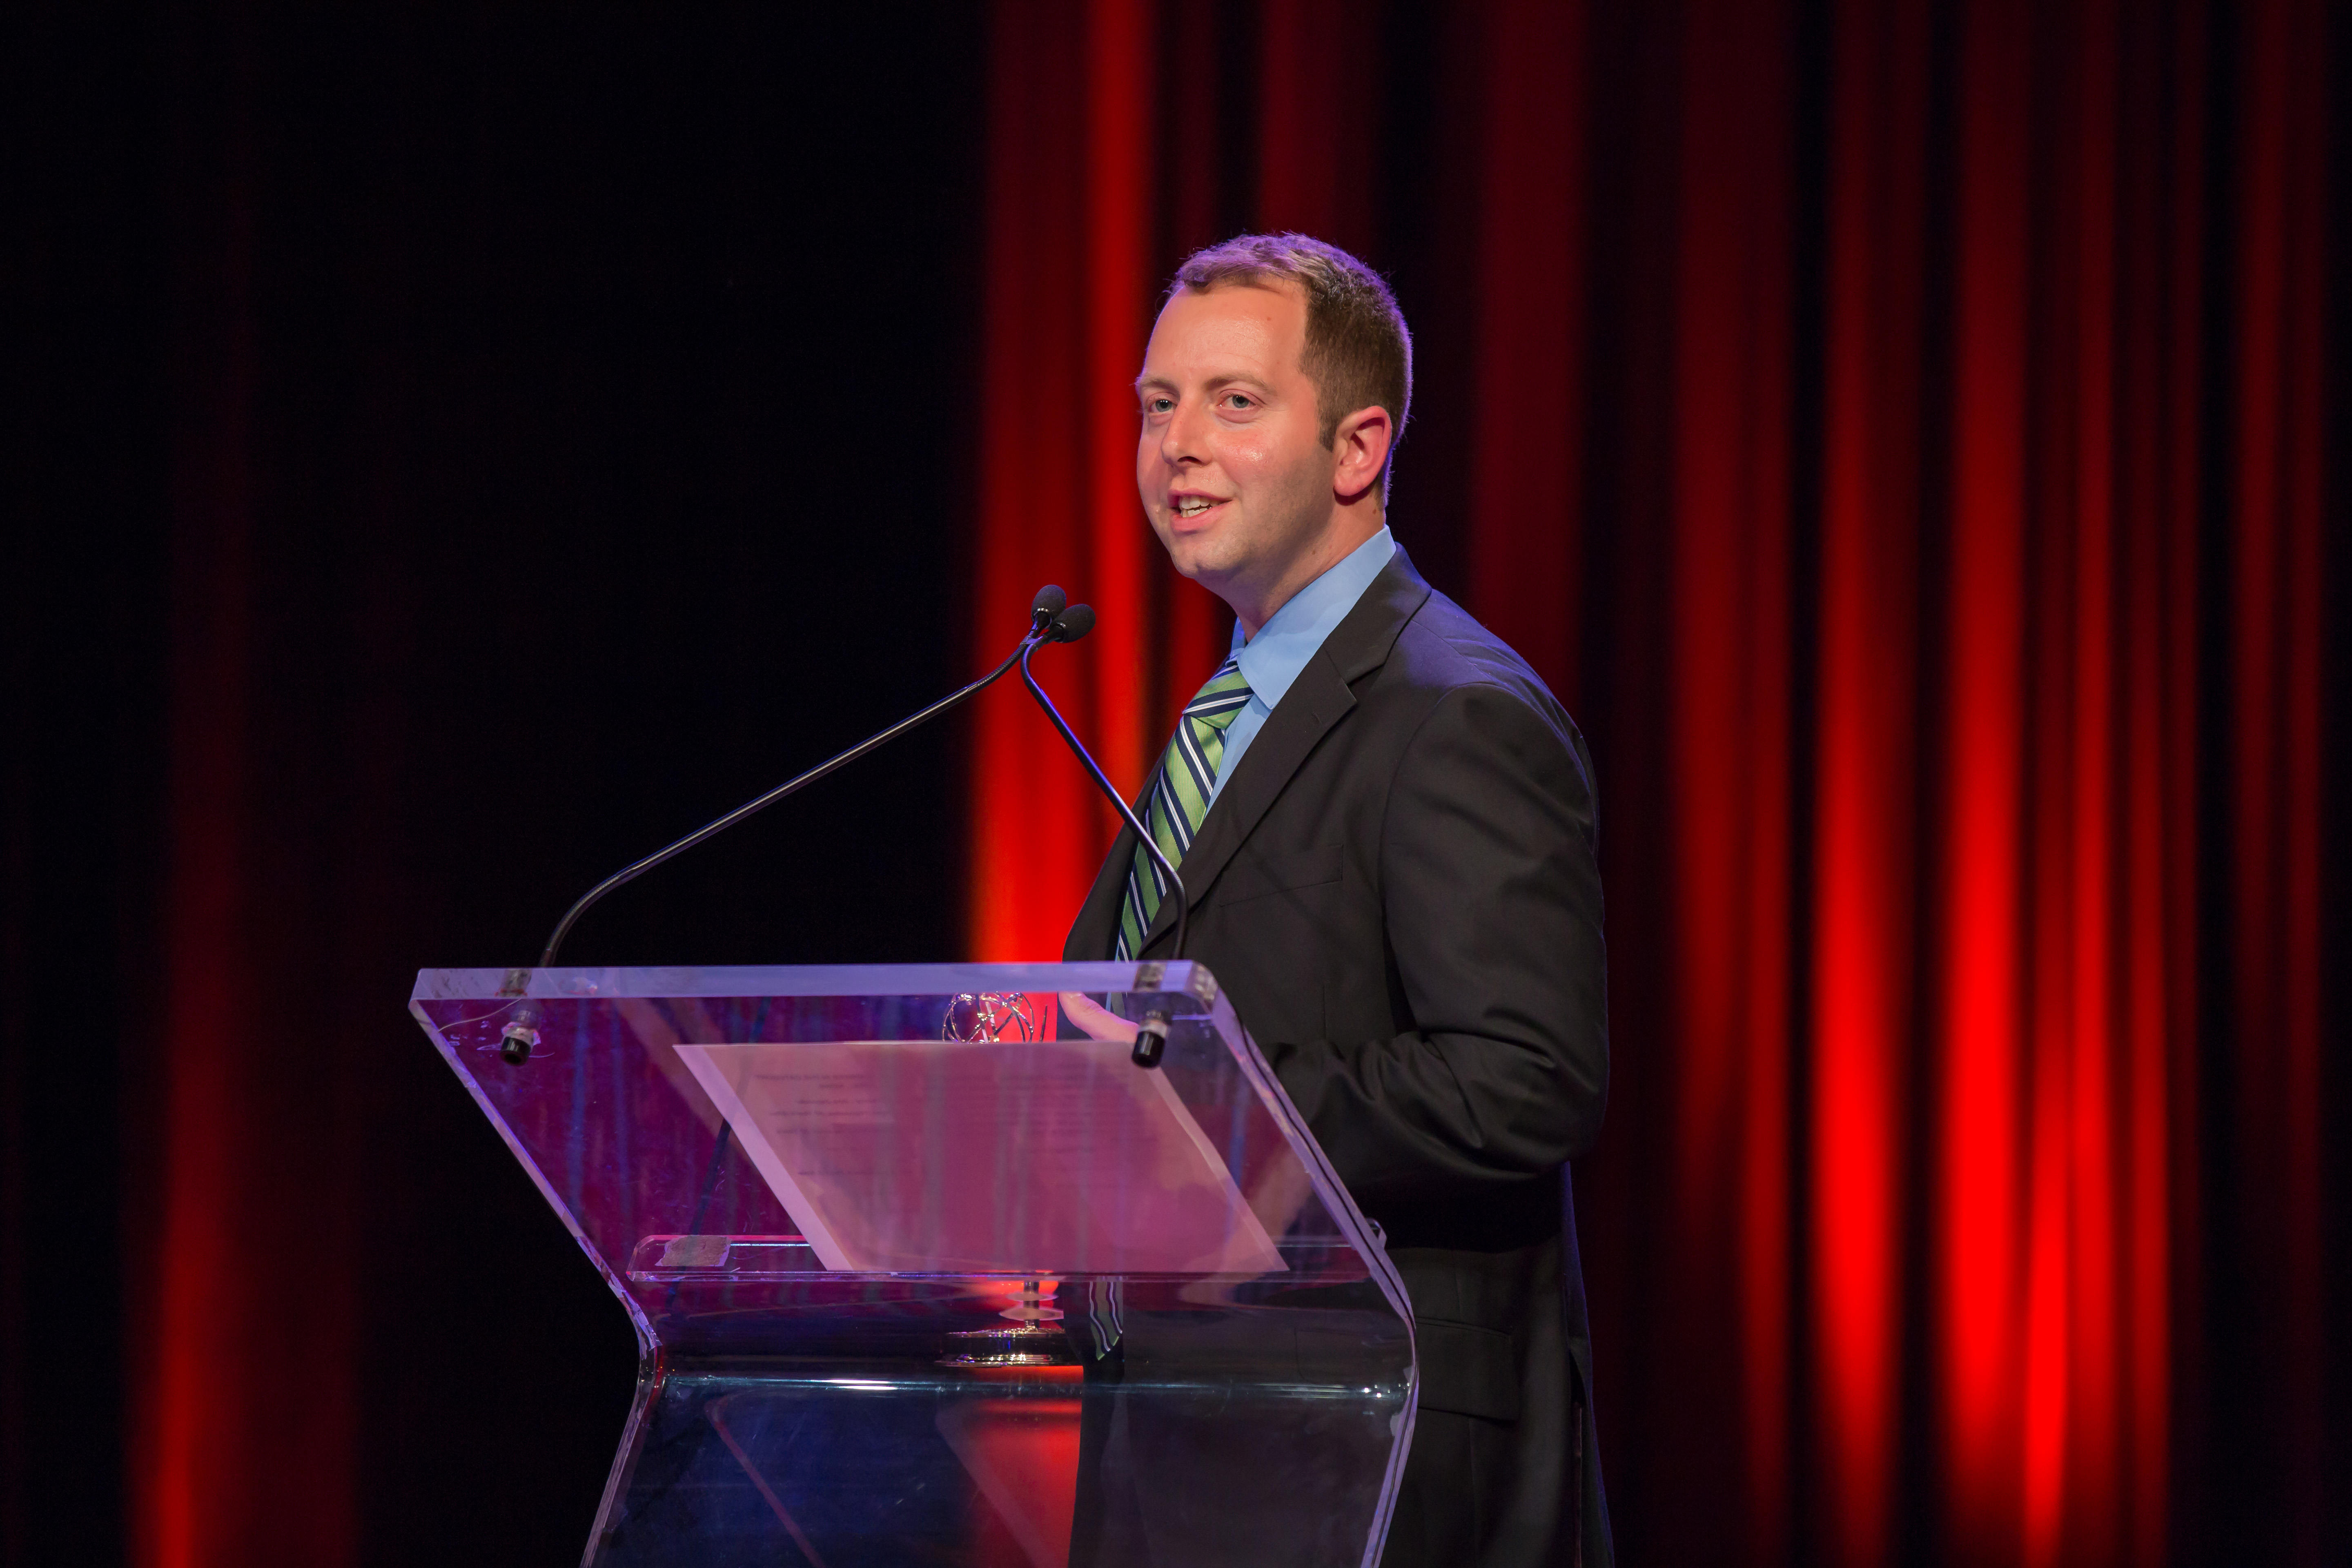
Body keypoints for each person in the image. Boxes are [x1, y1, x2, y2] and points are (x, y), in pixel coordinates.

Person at [1060, 233, 1613, 1568]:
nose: (1179, 444)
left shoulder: (1456, 711)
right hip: (1176, 1436)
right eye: (1158, 403)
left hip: (1368, 1457)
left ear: (1358, 448)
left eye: (1234, 402)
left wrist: (1200, 1095)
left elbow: (1529, 1079)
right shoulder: (1234, 706)